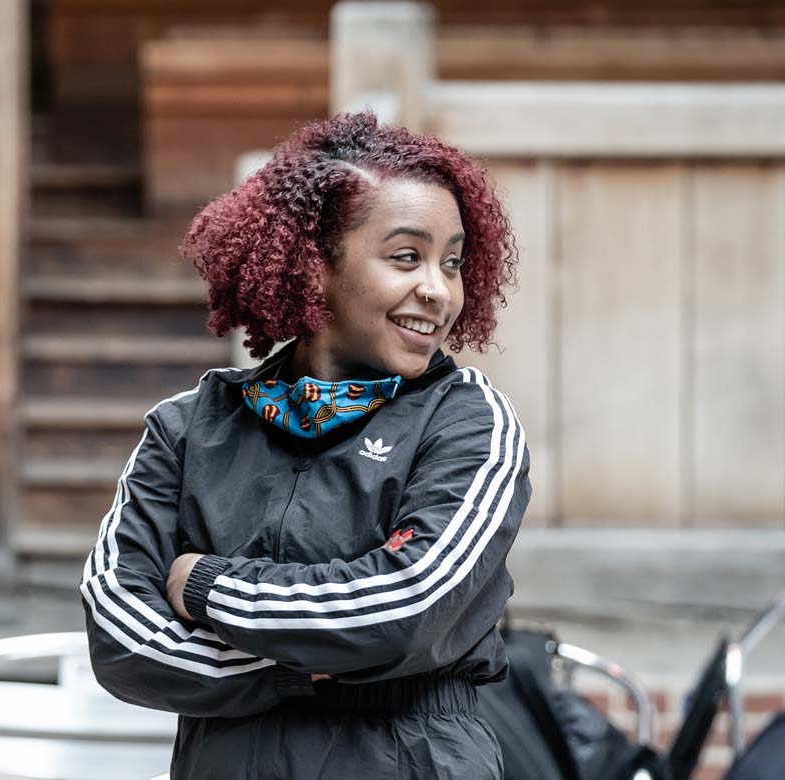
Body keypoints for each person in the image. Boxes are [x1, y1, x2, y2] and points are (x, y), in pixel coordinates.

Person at [80, 111, 531, 780]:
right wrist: (311, 669)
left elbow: (406, 607)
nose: (438, 290)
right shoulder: (187, 428)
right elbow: (120, 636)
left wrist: (204, 584)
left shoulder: (470, 424)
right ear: (311, 266)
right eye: (407, 257)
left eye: (453, 262)